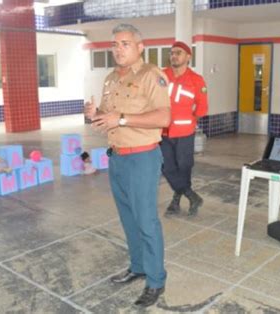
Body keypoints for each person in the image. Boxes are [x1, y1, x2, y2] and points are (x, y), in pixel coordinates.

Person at [84, 23, 170, 308]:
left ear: (139, 47)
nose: (118, 50)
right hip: (117, 157)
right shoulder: (111, 78)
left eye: (125, 44)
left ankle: (156, 280)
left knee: (146, 220)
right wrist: (96, 115)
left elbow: (163, 118)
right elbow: (110, 118)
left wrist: (120, 118)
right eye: (115, 45)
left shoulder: (150, 75)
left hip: (142, 158)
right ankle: (138, 266)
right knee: (129, 219)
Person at [161, 41, 208, 217]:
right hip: (163, 132)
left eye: (178, 53)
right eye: (172, 52)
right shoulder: (162, 75)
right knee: (167, 167)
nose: (174, 55)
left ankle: (175, 202)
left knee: (184, 166)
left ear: (188, 57)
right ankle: (192, 195)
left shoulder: (196, 80)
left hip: (185, 134)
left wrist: (189, 119)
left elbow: (202, 108)